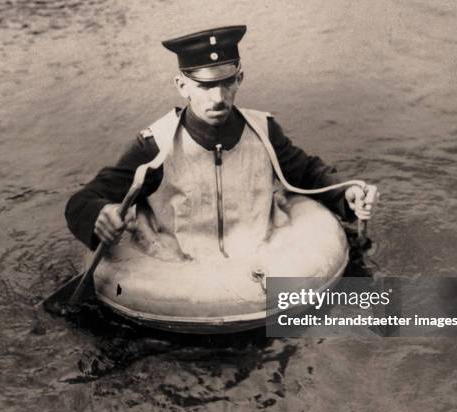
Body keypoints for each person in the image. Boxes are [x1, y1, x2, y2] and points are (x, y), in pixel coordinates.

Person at [65, 25, 378, 260]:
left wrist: (345, 192)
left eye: (226, 82)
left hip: (259, 256)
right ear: (182, 85)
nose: (218, 97)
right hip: (182, 268)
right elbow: (84, 200)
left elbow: (308, 174)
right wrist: (98, 214)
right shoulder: (155, 146)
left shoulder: (263, 131)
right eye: (205, 85)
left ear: (239, 79)